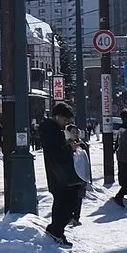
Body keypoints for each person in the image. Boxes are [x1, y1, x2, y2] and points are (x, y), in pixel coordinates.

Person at [35, 101, 83, 243]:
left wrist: (69, 146)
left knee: (63, 202)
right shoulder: (52, 131)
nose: (66, 122)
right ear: (57, 116)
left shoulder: (54, 130)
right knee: (67, 203)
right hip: (60, 174)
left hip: (58, 174)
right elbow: (56, 153)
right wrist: (70, 148)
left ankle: (55, 229)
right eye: (65, 118)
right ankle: (57, 231)